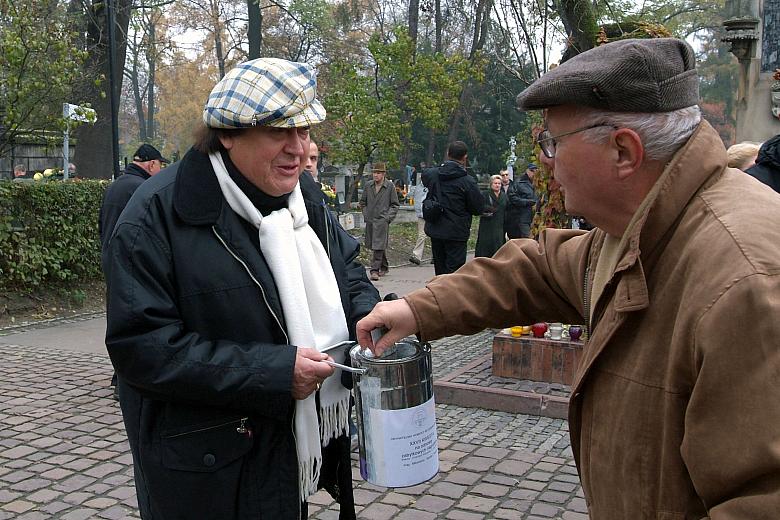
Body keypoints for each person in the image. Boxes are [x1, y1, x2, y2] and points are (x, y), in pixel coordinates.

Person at [355, 38, 780, 518]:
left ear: (624, 150)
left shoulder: (747, 279)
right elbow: (537, 268)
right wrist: (418, 308)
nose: (544, 161)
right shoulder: (644, 224)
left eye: (553, 142)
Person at [103, 57, 380, 519]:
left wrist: (369, 314)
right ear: (227, 135)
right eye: (279, 132)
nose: (298, 148)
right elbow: (142, 349)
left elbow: (345, 267)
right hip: (205, 470)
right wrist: (273, 371)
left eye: (306, 130)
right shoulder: (154, 217)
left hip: (289, 450)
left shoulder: (304, 198)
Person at [422, 141, 484, 274]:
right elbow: (477, 208)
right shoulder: (467, 181)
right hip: (457, 231)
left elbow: (425, 176)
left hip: (436, 227)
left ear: (448, 154)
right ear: (465, 157)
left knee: (440, 269)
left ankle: (439, 293)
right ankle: (450, 294)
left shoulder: (433, 175)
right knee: (455, 273)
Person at [99, 143, 169, 252]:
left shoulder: (114, 185)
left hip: (110, 256)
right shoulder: (144, 189)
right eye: (161, 165)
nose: (161, 170)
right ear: (152, 164)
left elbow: (102, 224)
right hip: (130, 260)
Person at [359, 162, 399, 281]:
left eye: (378, 173)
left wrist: (387, 218)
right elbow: (363, 202)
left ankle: (374, 270)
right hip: (371, 220)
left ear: (383, 174)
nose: (375, 175)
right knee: (376, 244)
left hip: (382, 221)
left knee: (378, 245)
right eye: (374, 172)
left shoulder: (389, 186)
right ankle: (384, 266)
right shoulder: (368, 185)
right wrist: (366, 214)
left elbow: (395, 205)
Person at [474, 174, 506, 257]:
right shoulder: (485, 194)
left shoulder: (504, 195)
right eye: (495, 183)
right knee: (485, 247)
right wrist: (488, 208)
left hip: (499, 224)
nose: (497, 185)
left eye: (499, 183)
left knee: (498, 245)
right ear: (491, 184)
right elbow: (479, 206)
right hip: (487, 224)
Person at [504, 163, 538, 239]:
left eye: (536, 171)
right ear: (527, 171)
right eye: (532, 170)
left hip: (536, 218)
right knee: (528, 240)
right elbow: (512, 198)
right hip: (523, 217)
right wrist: (527, 202)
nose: (534, 173)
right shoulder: (518, 182)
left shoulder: (540, 183)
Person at [408, 172, 428, 265]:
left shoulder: (434, 185)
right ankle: (416, 256)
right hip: (421, 215)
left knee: (435, 236)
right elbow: (413, 198)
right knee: (422, 235)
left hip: (432, 214)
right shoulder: (418, 188)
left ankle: (436, 256)